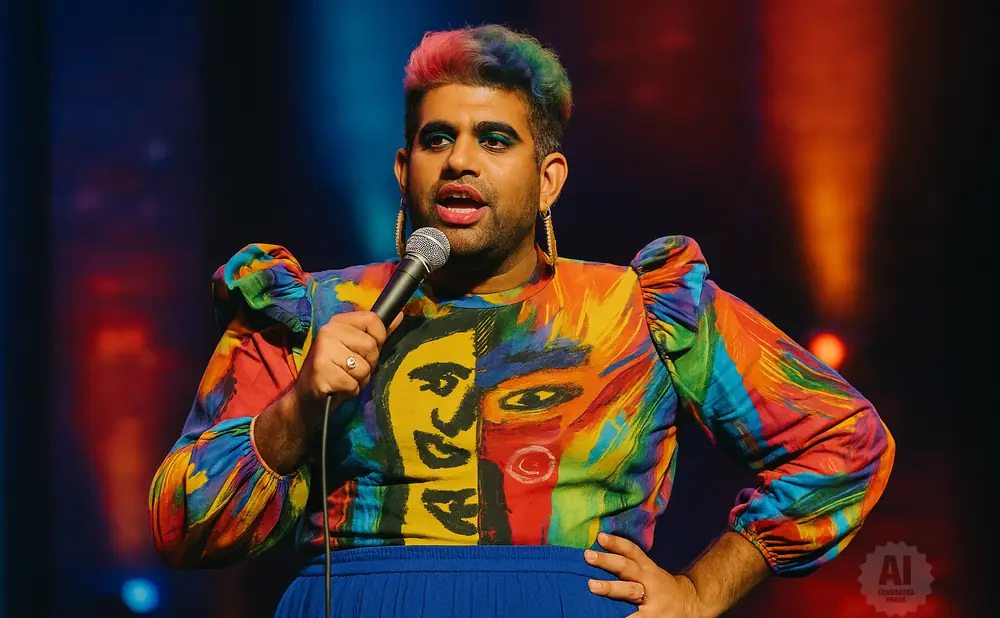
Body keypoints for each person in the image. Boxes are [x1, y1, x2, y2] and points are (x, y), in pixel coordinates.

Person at [149, 24, 895, 618]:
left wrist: (704, 591)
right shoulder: (307, 314)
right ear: (403, 173)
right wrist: (297, 409)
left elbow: (844, 443)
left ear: (548, 181)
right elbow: (183, 526)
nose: (460, 162)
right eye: (438, 140)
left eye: (494, 140)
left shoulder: (639, 313)